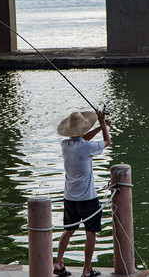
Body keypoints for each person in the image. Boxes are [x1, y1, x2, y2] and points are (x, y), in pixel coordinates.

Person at [53, 110, 111, 277]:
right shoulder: (86, 147)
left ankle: (58, 263)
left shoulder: (65, 145)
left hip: (69, 198)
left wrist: (102, 126)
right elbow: (107, 142)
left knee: (68, 231)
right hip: (88, 199)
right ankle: (86, 269)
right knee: (91, 233)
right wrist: (101, 122)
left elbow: (83, 138)